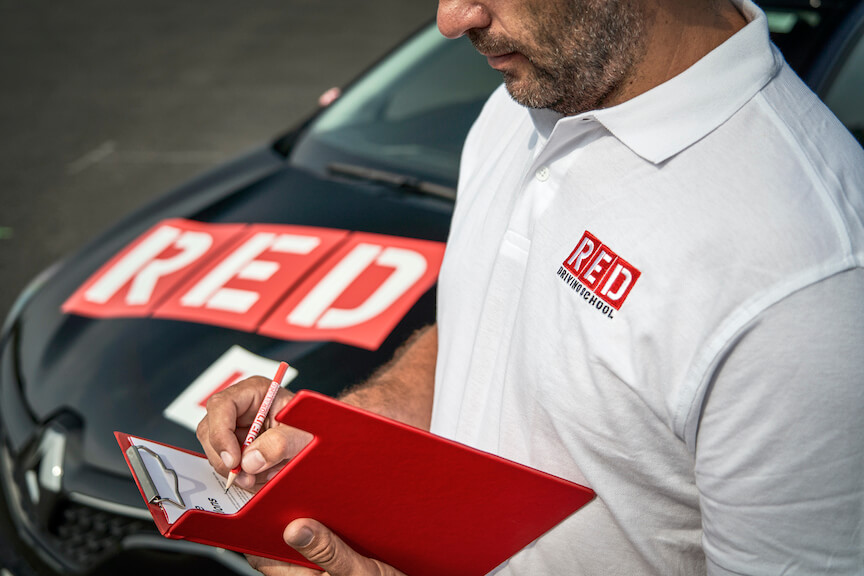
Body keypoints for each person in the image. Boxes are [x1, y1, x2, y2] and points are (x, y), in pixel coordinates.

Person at [197, 0, 864, 573]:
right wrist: (347, 432)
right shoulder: (520, 106)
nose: (452, 19)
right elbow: (490, 323)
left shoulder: (808, 280)